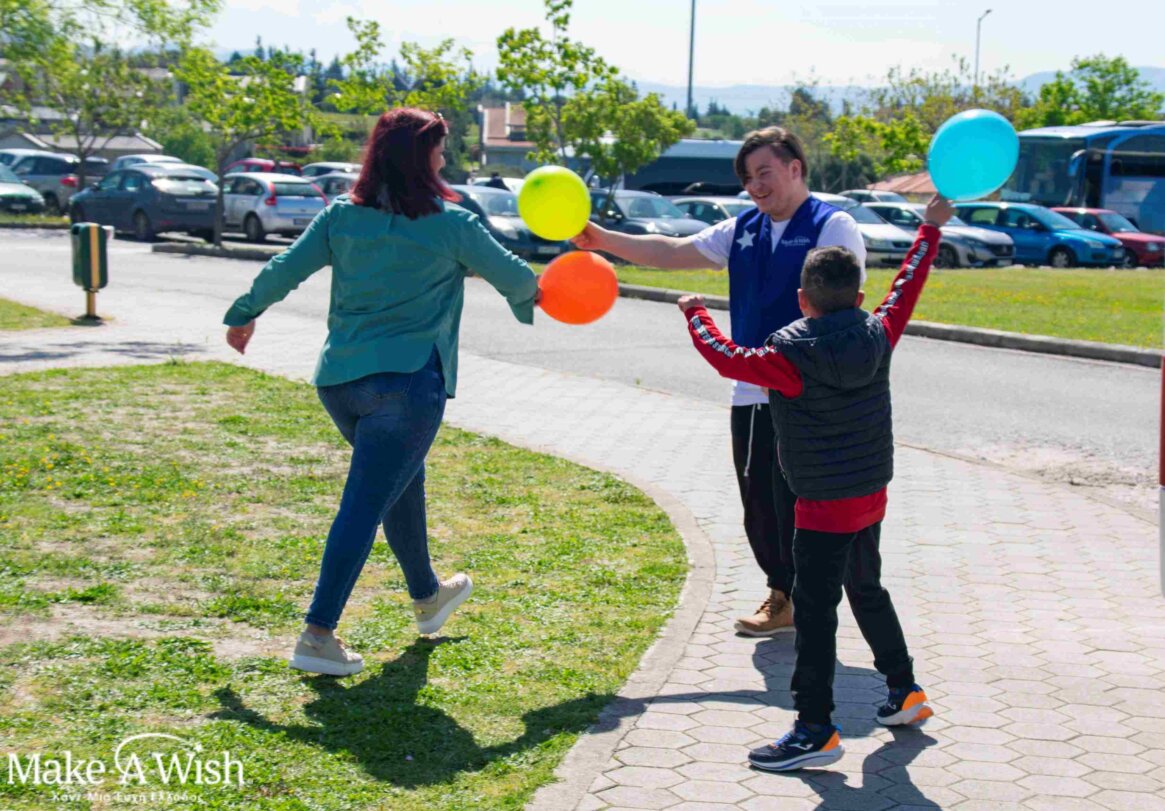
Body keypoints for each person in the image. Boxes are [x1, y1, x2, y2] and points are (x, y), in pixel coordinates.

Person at [222, 108, 539, 677]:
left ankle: (428, 596)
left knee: (400, 482)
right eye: (439, 148)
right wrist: (551, 289)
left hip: (340, 384)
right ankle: (318, 634)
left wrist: (244, 314)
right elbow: (519, 279)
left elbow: (285, 268)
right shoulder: (452, 224)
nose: (444, 158)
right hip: (407, 386)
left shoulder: (341, 217)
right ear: (422, 157)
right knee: (365, 504)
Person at [677, 194, 955, 771]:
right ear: (859, 298)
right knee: (868, 589)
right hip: (870, 495)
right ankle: (904, 690)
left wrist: (695, 313)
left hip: (823, 507)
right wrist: (928, 229)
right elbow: (906, 286)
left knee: (815, 611)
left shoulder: (788, 359)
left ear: (802, 299)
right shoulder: (879, 331)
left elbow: (727, 357)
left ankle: (814, 729)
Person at [574, 127, 866, 637]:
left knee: (803, 501)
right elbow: (670, 251)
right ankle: (783, 596)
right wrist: (601, 239)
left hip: (807, 392)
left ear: (795, 168)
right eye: (747, 178)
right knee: (760, 501)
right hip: (751, 389)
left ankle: (810, 597)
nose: (755, 186)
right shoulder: (743, 229)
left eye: (764, 173)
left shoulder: (832, 225)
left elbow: (844, 311)